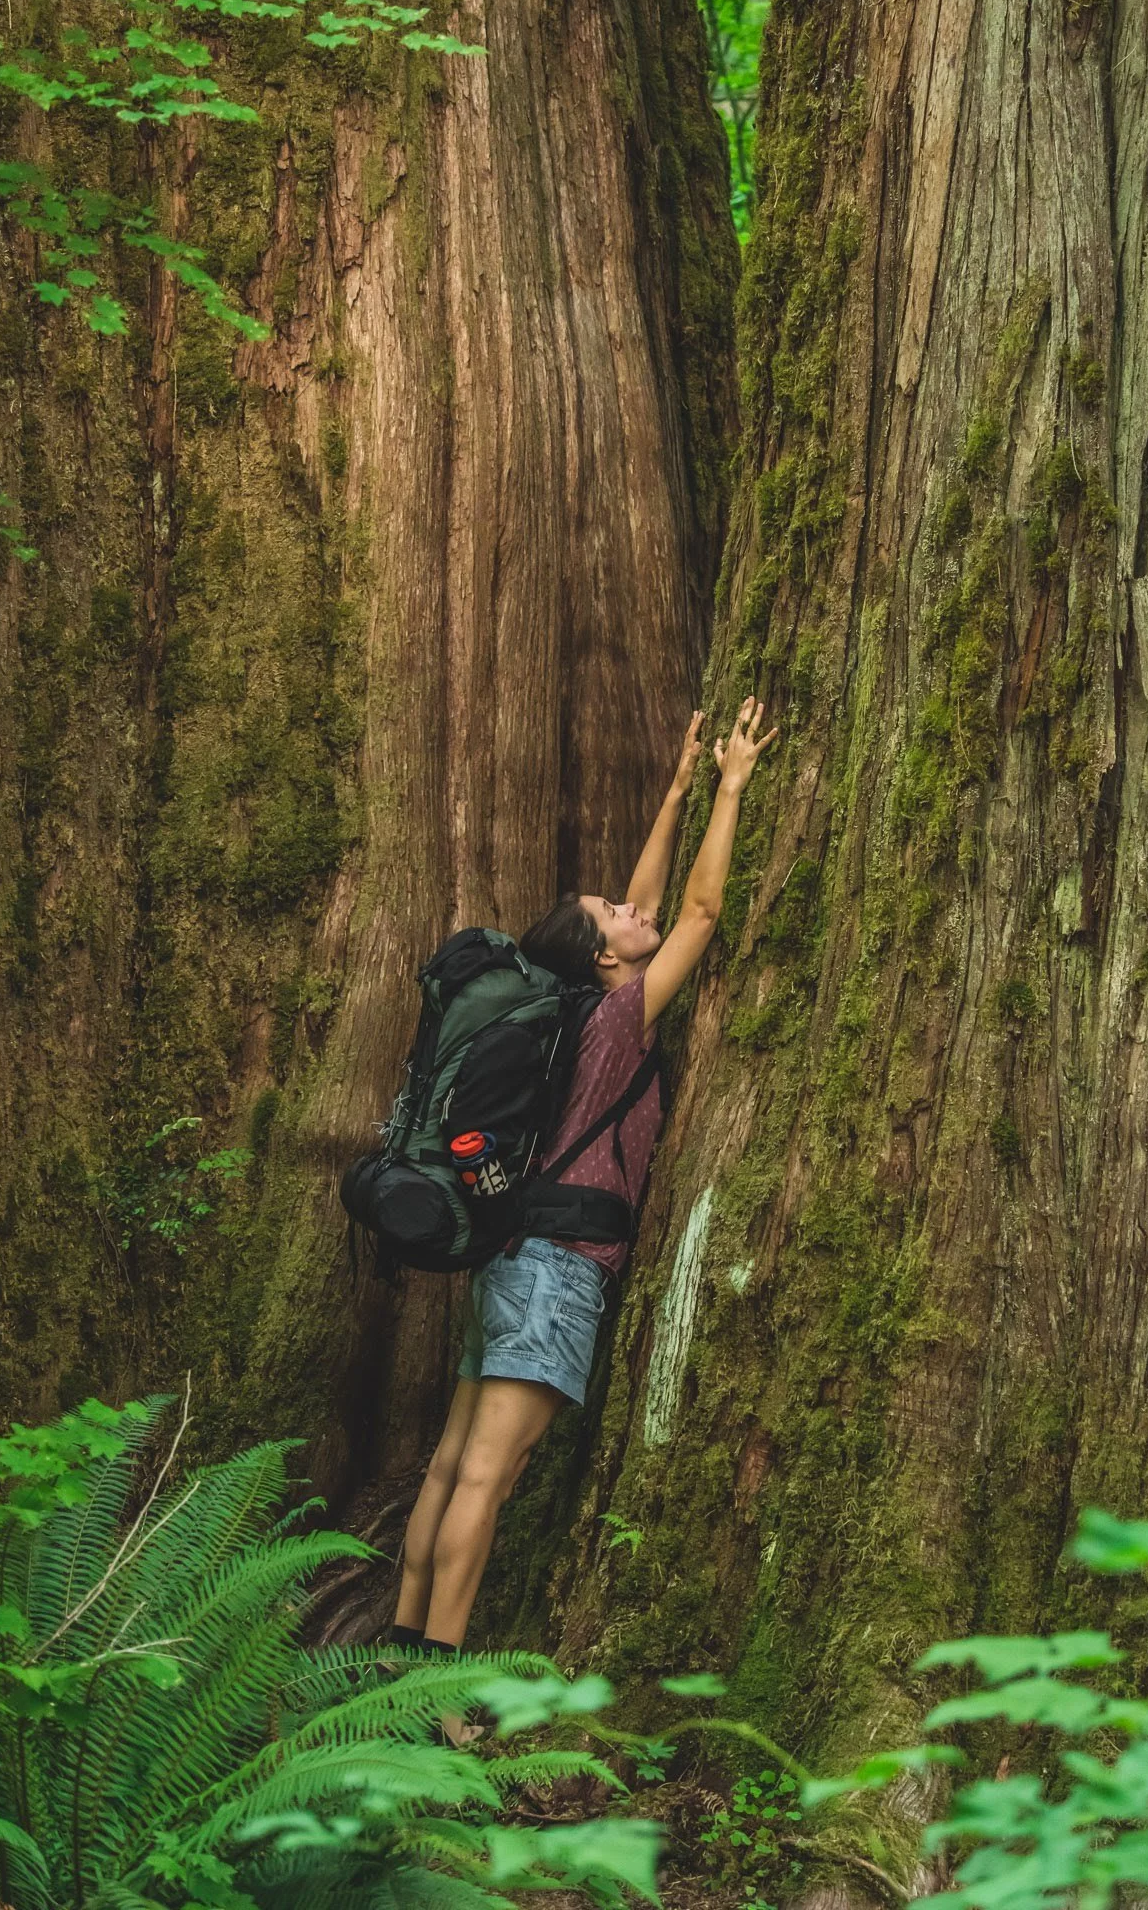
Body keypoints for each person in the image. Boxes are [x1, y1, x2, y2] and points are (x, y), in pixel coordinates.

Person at [389, 695, 778, 1673]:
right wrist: (730, 788)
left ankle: (394, 1650)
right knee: (490, 1472)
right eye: (613, 914)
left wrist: (676, 790)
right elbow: (694, 910)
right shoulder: (614, 1023)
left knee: (451, 1460)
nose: (629, 905)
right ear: (607, 957)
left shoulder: (567, 1009)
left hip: (506, 1261)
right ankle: (433, 1686)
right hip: (555, 1273)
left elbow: (643, 904)